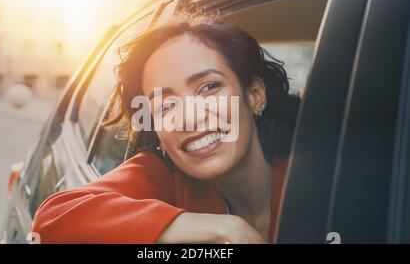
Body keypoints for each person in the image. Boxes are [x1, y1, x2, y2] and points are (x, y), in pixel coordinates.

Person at [32, 12, 301, 244]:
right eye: (165, 106)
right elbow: (50, 222)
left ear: (255, 95)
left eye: (209, 87)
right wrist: (214, 229)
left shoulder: (326, 174)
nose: (189, 118)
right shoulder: (166, 174)